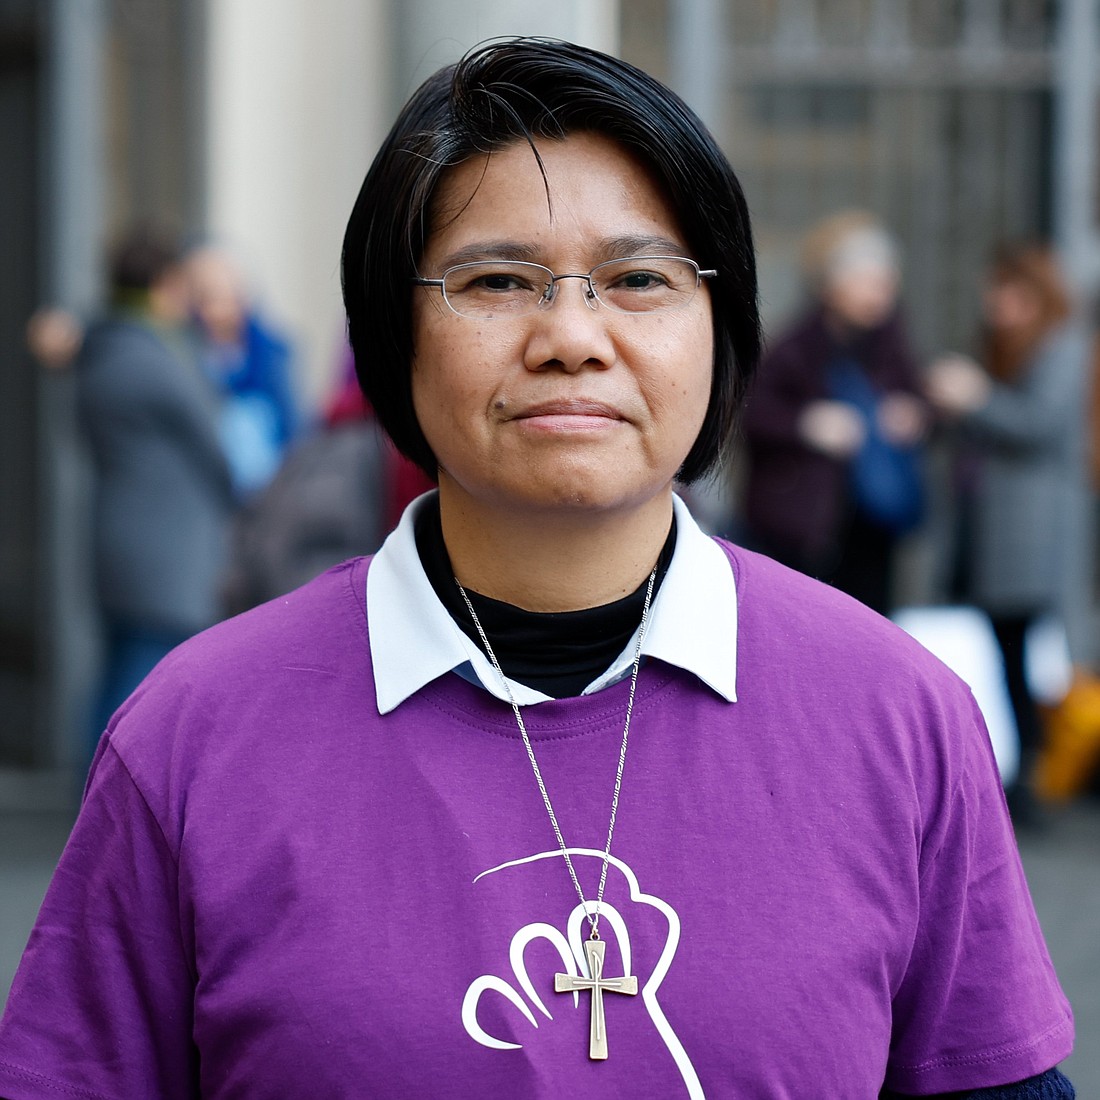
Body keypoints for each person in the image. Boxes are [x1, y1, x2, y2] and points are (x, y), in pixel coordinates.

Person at [0, 39, 1073, 1099]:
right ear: (394, 335)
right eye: (499, 278)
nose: (571, 335)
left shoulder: (897, 712)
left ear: (720, 331)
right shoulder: (191, 734)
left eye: (638, 278)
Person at [927, 243, 1092, 827]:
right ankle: (1027, 775)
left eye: (1010, 293)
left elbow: (1038, 424)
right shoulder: (1000, 346)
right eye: (993, 292)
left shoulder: (1063, 347)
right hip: (992, 525)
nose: (998, 305)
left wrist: (976, 397)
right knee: (1007, 652)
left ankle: (1043, 778)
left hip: (1033, 529)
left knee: (1040, 650)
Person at [71, 228, 235, 752]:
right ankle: (108, 808)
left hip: (119, 539)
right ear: (163, 286)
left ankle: (93, 801)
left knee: (118, 669)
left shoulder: (99, 355)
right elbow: (216, 443)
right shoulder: (156, 361)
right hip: (165, 550)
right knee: (143, 684)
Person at [741, 211, 928, 614]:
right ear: (831, 284)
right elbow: (752, 413)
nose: (880, 293)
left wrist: (914, 413)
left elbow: (918, 397)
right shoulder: (798, 345)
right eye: (868, 281)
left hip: (873, 523)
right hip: (807, 523)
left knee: (873, 627)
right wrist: (808, 426)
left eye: (886, 282)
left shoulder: (889, 342)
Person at [185, 242, 300, 499]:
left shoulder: (270, 354)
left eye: (228, 298)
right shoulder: (188, 355)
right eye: (209, 300)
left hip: (271, 491)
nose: (219, 311)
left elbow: (294, 427)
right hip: (211, 491)